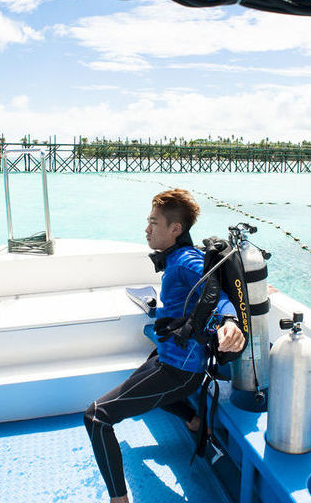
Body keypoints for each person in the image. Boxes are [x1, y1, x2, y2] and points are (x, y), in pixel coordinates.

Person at [84, 188, 246, 503]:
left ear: (175, 230)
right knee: (138, 382)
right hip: (168, 357)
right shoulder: (176, 257)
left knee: (96, 417)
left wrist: (230, 322)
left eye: (154, 223)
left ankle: (119, 500)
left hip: (179, 370)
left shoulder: (185, 260)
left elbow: (217, 294)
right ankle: (195, 420)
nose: (147, 229)